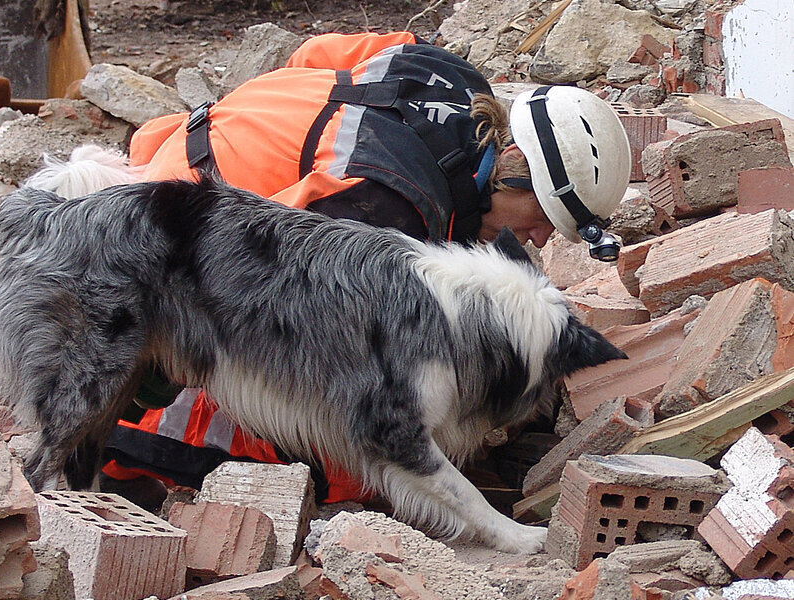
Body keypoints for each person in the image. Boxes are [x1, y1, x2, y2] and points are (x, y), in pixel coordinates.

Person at [84, 31, 632, 509]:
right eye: (543, 218)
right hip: (166, 252)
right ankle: (134, 446)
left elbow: (312, 55)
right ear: (514, 167)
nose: (537, 240)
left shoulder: (439, 68)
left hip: (192, 141)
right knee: (356, 468)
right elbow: (267, 315)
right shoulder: (385, 210)